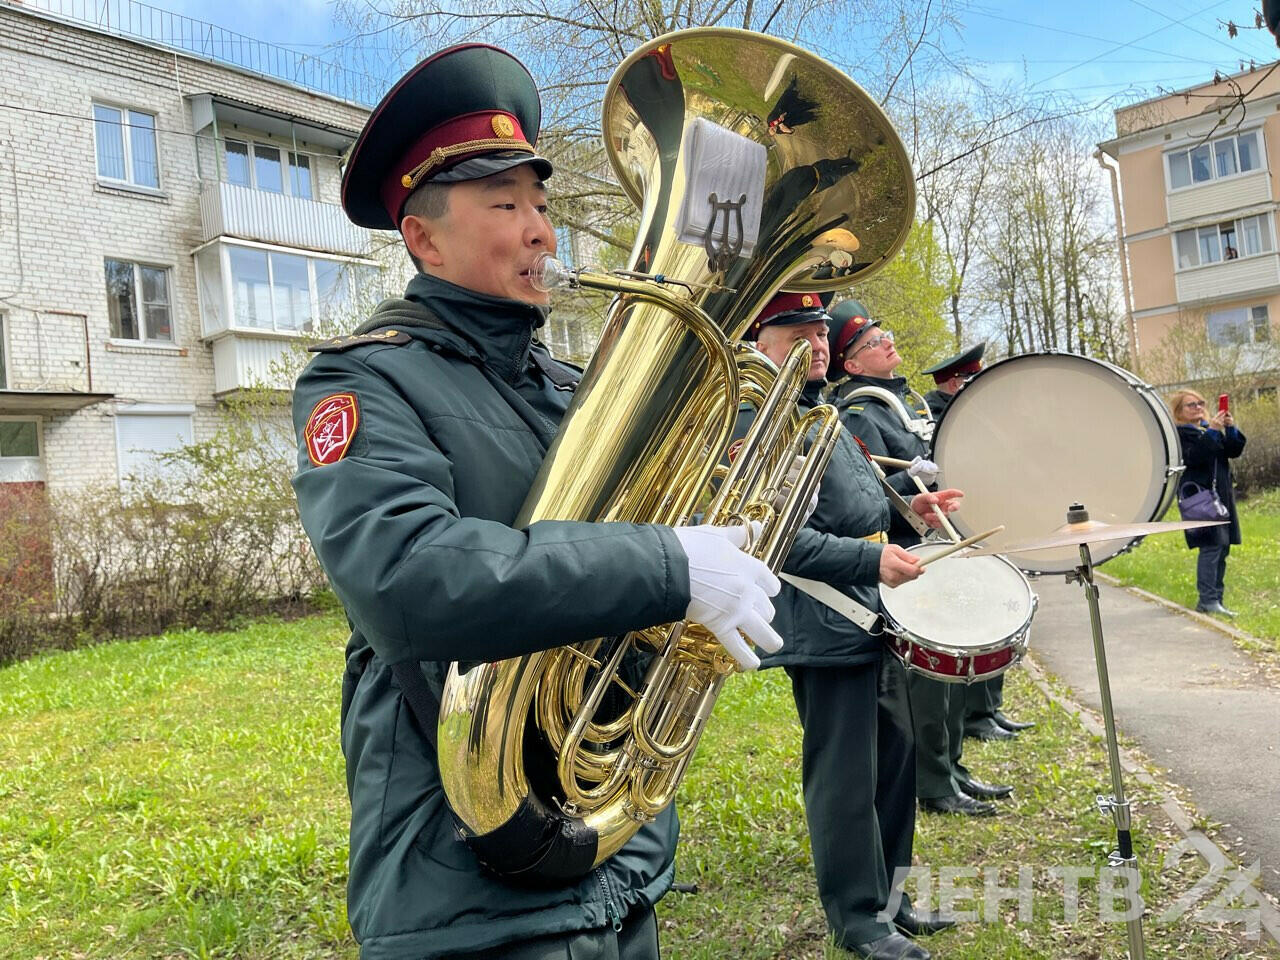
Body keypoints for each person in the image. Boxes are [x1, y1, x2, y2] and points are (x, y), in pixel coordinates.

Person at [291, 44, 784, 960]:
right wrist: (668, 565)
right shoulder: (364, 383)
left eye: (544, 206)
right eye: (506, 205)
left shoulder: (566, 385)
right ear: (424, 238)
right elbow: (406, 579)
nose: (542, 232)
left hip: (614, 844)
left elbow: (620, 563)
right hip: (461, 873)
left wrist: (714, 537)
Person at [744, 292, 964, 960]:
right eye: (795, 333)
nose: (813, 343)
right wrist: (871, 558)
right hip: (823, 615)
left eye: (818, 332)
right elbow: (773, 536)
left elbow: (860, 506)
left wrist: (914, 513)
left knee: (893, 764)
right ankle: (859, 918)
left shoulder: (822, 413)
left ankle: (891, 899)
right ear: (760, 338)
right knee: (845, 777)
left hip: (873, 612)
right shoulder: (757, 418)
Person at [826, 301, 1011, 817]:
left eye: (883, 334)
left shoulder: (899, 404)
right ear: (854, 366)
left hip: (931, 545)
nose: (886, 342)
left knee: (951, 670)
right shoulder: (860, 412)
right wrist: (915, 489)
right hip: (906, 555)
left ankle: (952, 766)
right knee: (928, 682)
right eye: (870, 343)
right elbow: (873, 495)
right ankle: (933, 783)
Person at [919, 344, 1034, 741]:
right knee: (970, 625)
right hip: (956, 524)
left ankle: (988, 708)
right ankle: (974, 716)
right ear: (955, 383)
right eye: (973, 380)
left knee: (995, 616)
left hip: (986, 520)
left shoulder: (978, 416)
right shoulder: (937, 416)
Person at [1170, 389, 1247, 616]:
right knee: (1211, 547)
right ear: (1179, 412)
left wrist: (1229, 428)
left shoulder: (1206, 429)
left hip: (1221, 497)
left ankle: (1217, 599)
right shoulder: (1180, 435)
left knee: (1222, 547)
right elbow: (1195, 457)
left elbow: (1233, 451)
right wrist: (1213, 431)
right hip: (1200, 499)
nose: (1198, 407)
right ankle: (1207, 600)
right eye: (1191, 405)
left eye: (1200, 403)